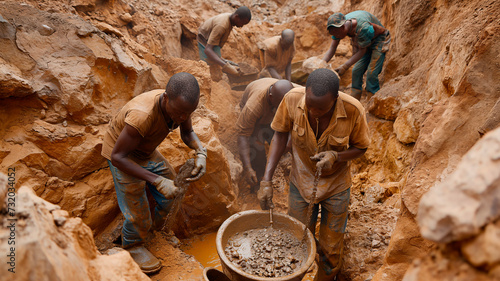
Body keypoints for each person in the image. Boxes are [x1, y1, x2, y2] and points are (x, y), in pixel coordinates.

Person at [257, 69, 370, 281]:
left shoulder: (353, 110)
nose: (314, 112)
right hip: (301, 182)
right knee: (296, 239)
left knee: (331, 249)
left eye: (321, 108)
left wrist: (336, 156)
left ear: (335, 99)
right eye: (310, 105)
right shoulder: (291, 99)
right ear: (305, 93)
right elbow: (280, 135)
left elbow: (361, 148)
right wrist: (266, 180)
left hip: (336, 187)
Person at [101, 72, 207, 274]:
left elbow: (187, 131)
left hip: (145, 150)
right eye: (179, 113)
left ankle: (152, 233)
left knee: (172, 192)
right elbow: (117, 157)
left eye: (188, 113)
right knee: (137, 211)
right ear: (166, 98)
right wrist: (156, 180)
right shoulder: (142, 116)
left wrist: (200, 151)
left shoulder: (181, 105)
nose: (182, 118)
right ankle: (132, 246)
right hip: (123, 155)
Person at [237, 78, 295, 191]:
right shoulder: (253, 106)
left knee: (286, 139)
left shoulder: (295, 93)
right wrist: (247, 168)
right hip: (259, 118)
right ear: (271, 97)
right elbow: (243, 135)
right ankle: (258, 179)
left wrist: (289, 140)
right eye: (280, 105)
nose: (283, 107)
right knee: (257, 145)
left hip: (272, 110)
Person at [322, 11, 390, 100]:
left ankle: (372, 98)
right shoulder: (337, 28)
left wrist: (344, 66)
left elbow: (362, 52)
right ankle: (354, 100)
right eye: (333, 34)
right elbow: (332, 49)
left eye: (336, 34)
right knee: (356, 71)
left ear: (342, 27)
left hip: (379, 39)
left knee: (371, 73)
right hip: (364, 41)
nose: (336, 36)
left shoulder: (362, 27)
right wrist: (321, 64)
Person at [197, 6, 252, 79]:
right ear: (236, 17)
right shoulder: (222, 25)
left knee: (216, 62)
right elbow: (207, 50)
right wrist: (226, 66)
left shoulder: (230, 18)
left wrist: (225, 61)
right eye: (242, 23)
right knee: (207, 68)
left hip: (211, 41)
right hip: (204, 39)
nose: (242, 26)